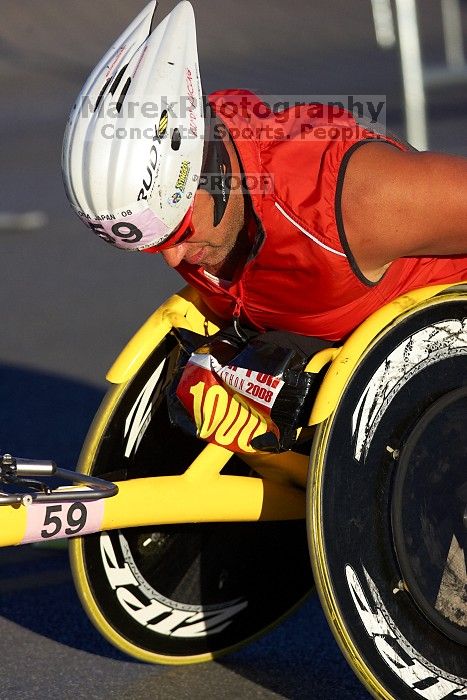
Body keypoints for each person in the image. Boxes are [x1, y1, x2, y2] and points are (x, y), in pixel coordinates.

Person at [62, 0, 467, 345]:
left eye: (179, 232)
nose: (173, 259)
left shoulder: (357, 201)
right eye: (150, 246)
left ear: (212, 168)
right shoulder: (181, 209)